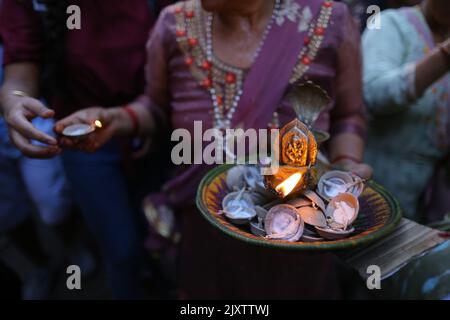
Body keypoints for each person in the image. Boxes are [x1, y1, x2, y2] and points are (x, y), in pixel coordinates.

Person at [56, 0, 372, 299]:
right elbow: (155, 108)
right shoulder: (174, 25)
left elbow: (348, 115)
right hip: (204, 232)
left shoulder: (330, 22)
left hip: (299, 233)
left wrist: (345, 170)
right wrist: (116, 120)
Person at [0, 0, 171, 298]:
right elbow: (20, 67)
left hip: (154, 126)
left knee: (158, 231)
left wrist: (152, 113)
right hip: (82, 138)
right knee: (121, 248)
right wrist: (14, 102)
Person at [362, 0, 450, 298]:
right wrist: (444, 55)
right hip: (375, 193)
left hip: (430, 205)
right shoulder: (389, 25)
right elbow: (374, 94)